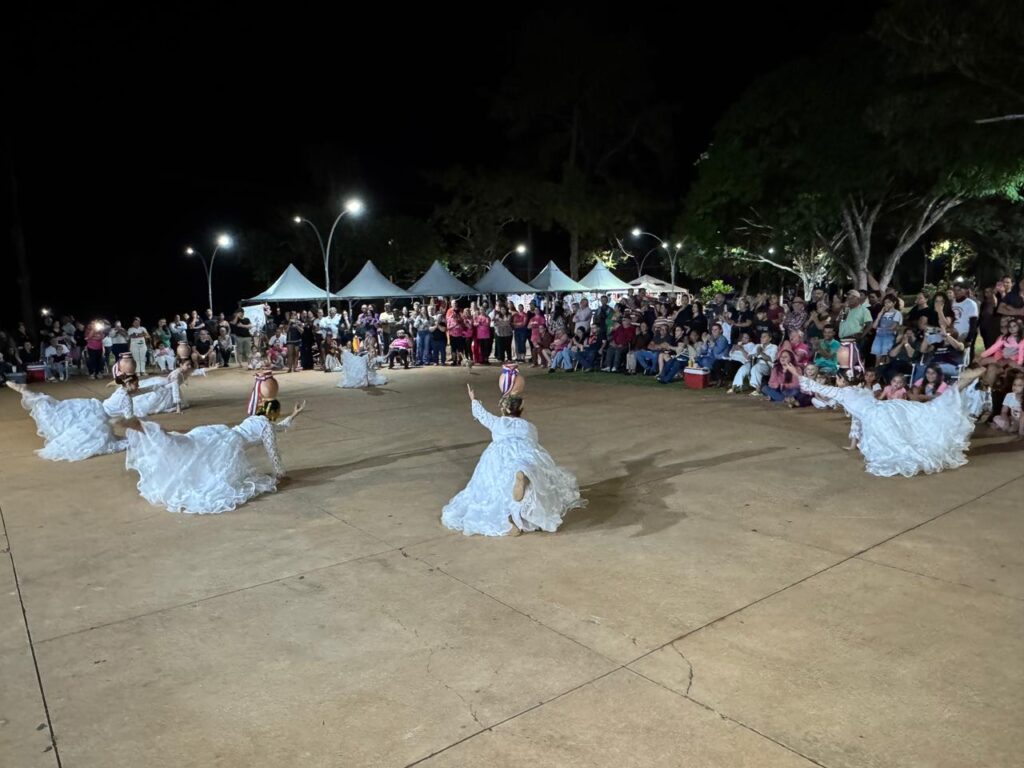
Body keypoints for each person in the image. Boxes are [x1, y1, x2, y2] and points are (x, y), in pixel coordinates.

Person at [793, 361, 985, 477]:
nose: (837, 382)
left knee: (899, 448)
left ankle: (961, 384)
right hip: (889, 409)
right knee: (928, 414)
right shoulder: (860, 390)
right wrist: (853, 443)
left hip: (878, 418)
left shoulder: (842, 393)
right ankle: (960, 384)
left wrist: (794, 372)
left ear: (843, 381)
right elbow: (857, 420)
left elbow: (817, 387)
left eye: (839, 379)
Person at [441, 384, 585, 536]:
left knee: (494, 490)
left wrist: (474, 399)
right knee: (535, 480)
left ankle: (507, 522)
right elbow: (533, 442)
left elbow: (482, 415)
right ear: (521, 410)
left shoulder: (497, 422)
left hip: (499, 456)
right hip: (524, 452)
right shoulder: (528, 426)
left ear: (503, 410)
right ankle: (525, 490)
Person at [124, 399, 305, 514]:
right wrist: (281, 472)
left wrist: (295, 414)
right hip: (230, 444)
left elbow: (278, 427)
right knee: (207, 469)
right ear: (274, 414)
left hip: (220, 432)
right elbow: (272, 450)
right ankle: (150, 431)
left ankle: (151, 431)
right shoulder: (266, 426)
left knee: (189, 446)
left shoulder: (254, 419)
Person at [6, 372, 139, 461]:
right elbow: (129, 419)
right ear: (128, 384)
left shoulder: (120, 390)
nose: (137, 386)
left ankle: (27, 392)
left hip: (91, 406)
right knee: (83, 437)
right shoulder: (127, 400)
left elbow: (117, 383)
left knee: (57, 412)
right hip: (98, 416)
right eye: (135, 384)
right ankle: (27, 392)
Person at [133, 361, 207, 416]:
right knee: (151, 403)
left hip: (170, 387)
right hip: (165, 388)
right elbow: (175, 387)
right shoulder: (176, 374)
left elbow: (198, 371)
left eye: (190, 365)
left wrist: (214, 367)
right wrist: (178, 408)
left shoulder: (186, 371)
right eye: (187, 365)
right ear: (181, 365)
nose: (189, 366)